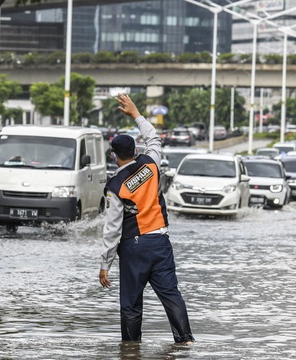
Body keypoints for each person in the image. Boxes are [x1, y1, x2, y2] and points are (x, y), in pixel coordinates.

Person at [99, 93, 194, 345]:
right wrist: (136, 114)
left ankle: (130, 350)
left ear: (114, 155)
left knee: (130, 304)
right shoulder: (151, 163)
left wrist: (105, 264)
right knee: (171, 294)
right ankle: (185, 341)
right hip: (161, 243)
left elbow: (112, 229)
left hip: (134, 248)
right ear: (135, 150)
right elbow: (153, 137)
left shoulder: (115, 186)